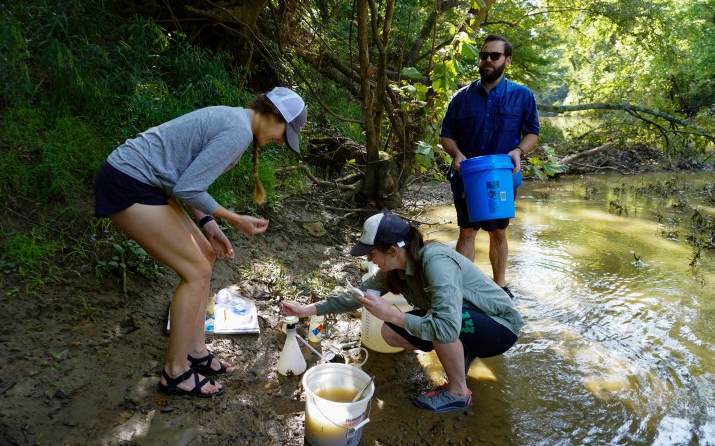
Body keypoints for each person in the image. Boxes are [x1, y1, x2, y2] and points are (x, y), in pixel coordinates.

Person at [95, 87, 307, 397]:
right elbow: (189, 188)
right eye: (283, 134)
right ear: (274, 116)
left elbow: (189, 180)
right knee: (195, 272)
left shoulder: (236, 122)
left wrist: (209, 225)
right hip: (128, 182)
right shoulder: (238, 131)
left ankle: (194, 350)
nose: (280, 141)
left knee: (206, 256)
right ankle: (176, 372)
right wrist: (235, 219)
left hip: (151, 184)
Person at [281, 210, 523, 413]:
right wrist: (306, 309)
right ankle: (463, 354)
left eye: (371, 253)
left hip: (500, 327)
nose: (369, 259)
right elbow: (356, 296)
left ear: (393, 251)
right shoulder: (394, 269)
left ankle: (459, 393)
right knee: (391, 332)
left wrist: (392, 314)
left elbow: (446, 326)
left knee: (435, 321)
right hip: (463, 320)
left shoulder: (436, 262)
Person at [439, 34, 540, 298]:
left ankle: (501, 287)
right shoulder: (461, 98)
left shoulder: (522, 95)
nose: (487, 60)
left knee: (498, 232)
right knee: (467, 232)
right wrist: (456, 154)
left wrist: (518, 150)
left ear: (507, 60)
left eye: (494, 56)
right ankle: (464, 290)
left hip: (500, 177)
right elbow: (445, 135)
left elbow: (532, 133)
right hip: (466, 174)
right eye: (484, 55)